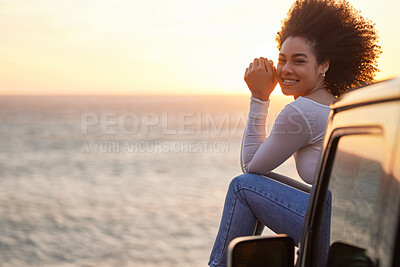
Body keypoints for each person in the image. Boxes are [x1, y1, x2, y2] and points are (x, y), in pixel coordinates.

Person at [208, 0, 381, 266]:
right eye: (282, 59)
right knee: (258, 184)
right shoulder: (336, 104)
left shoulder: (302, 111)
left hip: (338, 231)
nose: (287, 69)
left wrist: (259, 97)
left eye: (299, 61)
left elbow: (250, 166)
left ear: (323, 65)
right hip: (358, 226)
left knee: (242, 187)